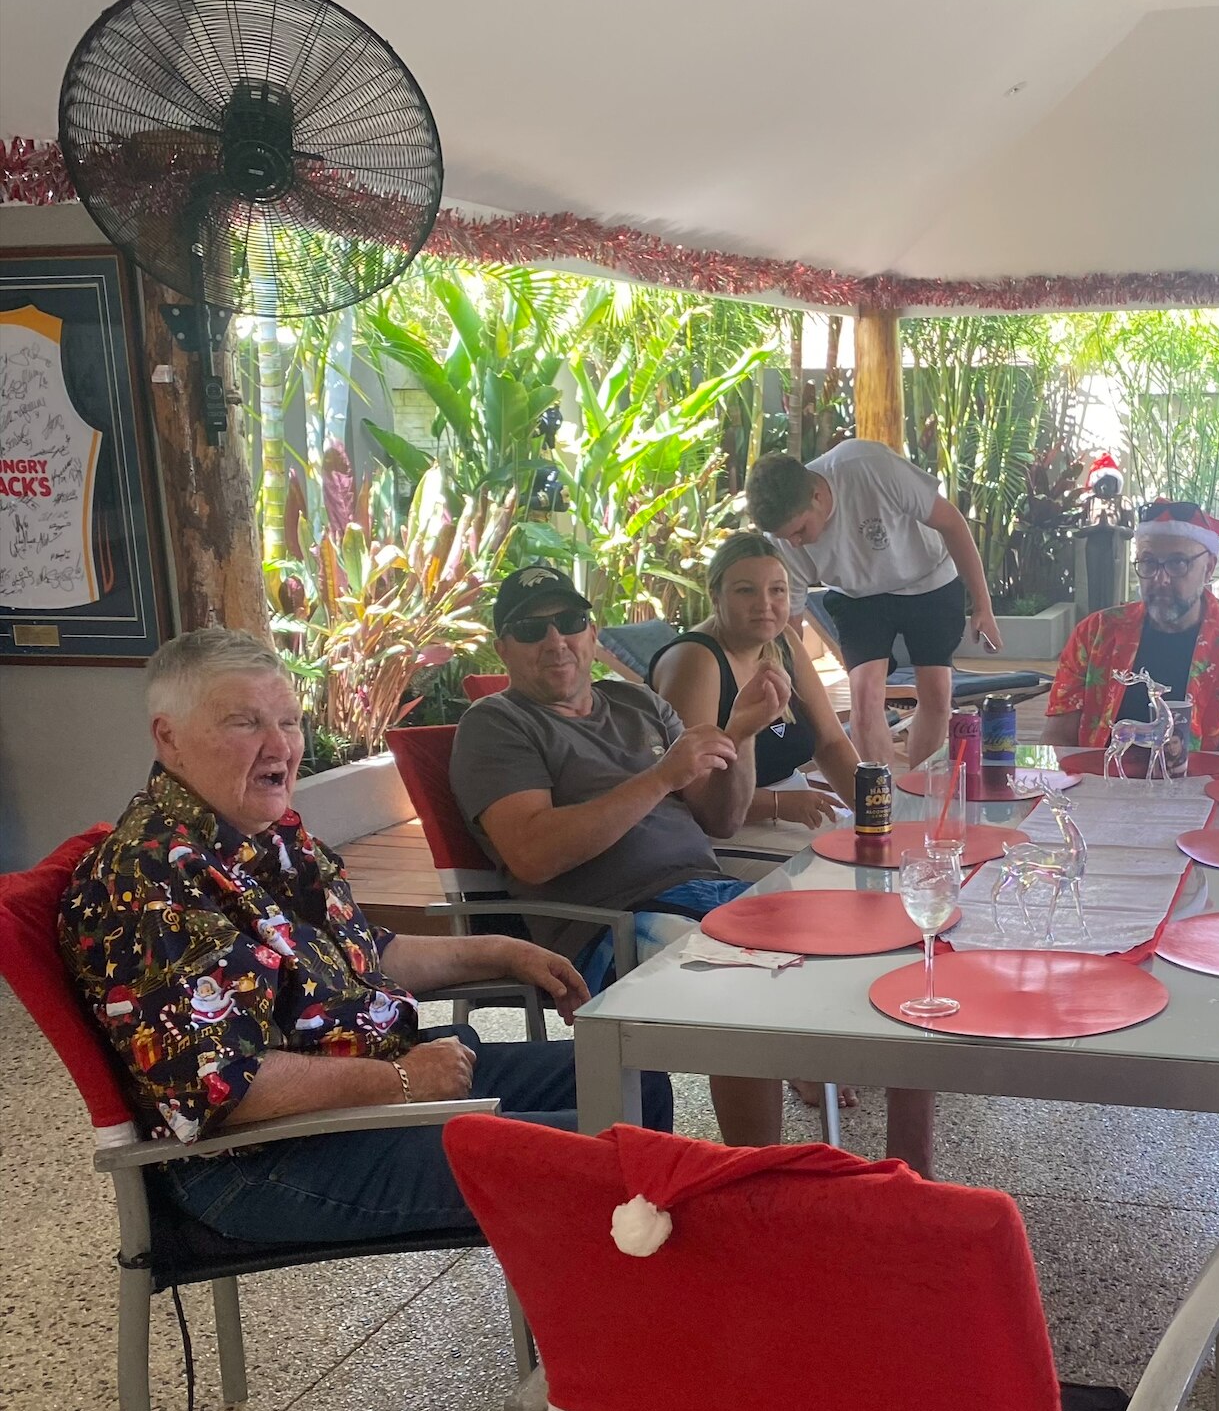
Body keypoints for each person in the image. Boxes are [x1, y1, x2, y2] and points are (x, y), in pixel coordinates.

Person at [58, 628, 594, 1245]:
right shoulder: (152, 876)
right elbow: (228, 1083)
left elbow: (366, 952)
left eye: (288, 721)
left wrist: (504, 951)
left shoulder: (271, 834)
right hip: (260, 1160)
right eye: (244, 723)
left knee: (627, 1088)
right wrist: (405, 1083)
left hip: (353, 1093)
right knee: (599, 1155)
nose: (279, 745)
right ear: (168, 737)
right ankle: (615, 1336)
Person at [452, 563, 936, 1172]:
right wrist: (658, 778)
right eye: (531, 629)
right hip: (611, 921)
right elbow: (532, 852)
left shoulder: (634, 701)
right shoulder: (497, 725)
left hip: (709, 893)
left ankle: (914, 1169)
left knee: (894, 936)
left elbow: (721, 818)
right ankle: (758, 1187)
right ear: (503, 647)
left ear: (592, 631)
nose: (556, 641)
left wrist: (744, 733)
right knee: (745, 982)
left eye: (570, 622)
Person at [745, 444, 1000, 768]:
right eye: (785, 537)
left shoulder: (869, 467)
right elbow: (790, 627)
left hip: (929, 580)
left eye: (799, 531)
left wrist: (983, 606)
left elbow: (951, 522)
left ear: (818, 497)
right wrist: (783, 680)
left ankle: (916, 792)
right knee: (864, 695)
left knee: (936, 691)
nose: (793, 543)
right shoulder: (783, 538)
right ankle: (876, 803)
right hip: (856, 596)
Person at [647, 531, 859, 836]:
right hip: (718, 832)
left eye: (777, 590)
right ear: (715, 596)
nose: (765, 604)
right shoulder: (697, 661)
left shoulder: (784, 641)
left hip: (794, 810)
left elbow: (831, 743)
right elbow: (693, 793)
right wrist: (778, 804)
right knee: (839, 873)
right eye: (746, 591)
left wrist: (875, 812)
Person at [1040, 498, 1219, 755]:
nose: (1160, 579)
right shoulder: (1094, 633)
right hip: (1099, 784)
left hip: (1202, 789)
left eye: (1178, 563)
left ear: (1209, 568)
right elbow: (1058, 739)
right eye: (1149, 563)